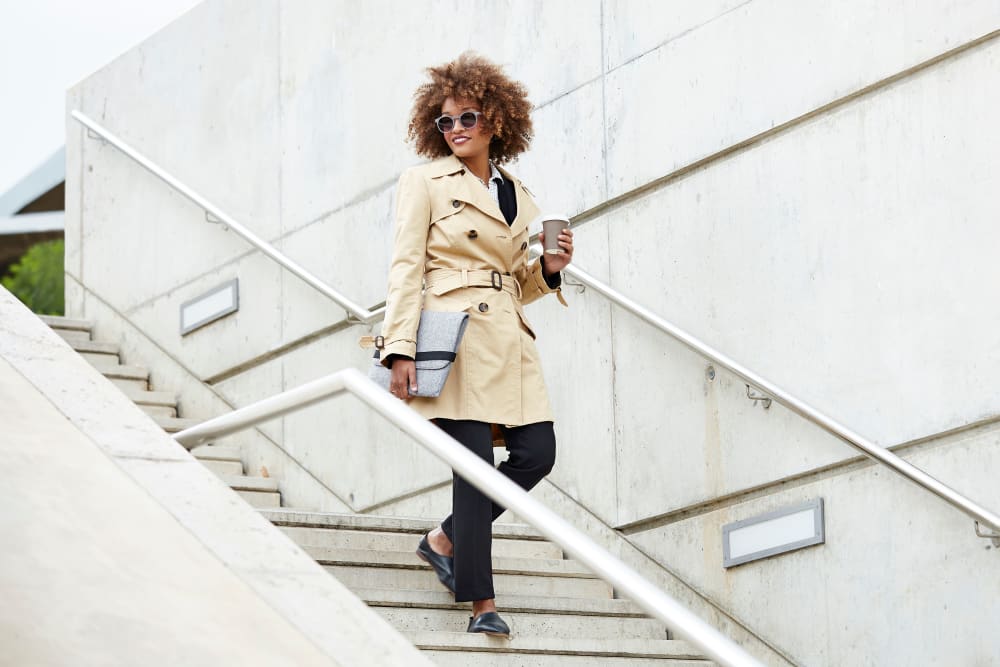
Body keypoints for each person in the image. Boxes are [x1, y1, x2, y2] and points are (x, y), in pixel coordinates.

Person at [377, 52, 574, 637]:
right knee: (473, 467)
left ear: (495, 120)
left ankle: (442, 540)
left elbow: (514, 281)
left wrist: (553, 269)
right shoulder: (424, 182)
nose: (456, 129)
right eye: (445, 121)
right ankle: (481, 605)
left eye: (467, 117)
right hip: (452, 336)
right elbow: (406, 266)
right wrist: (399, 348)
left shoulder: (519, 193)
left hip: (507, 337)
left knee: (538, 453)